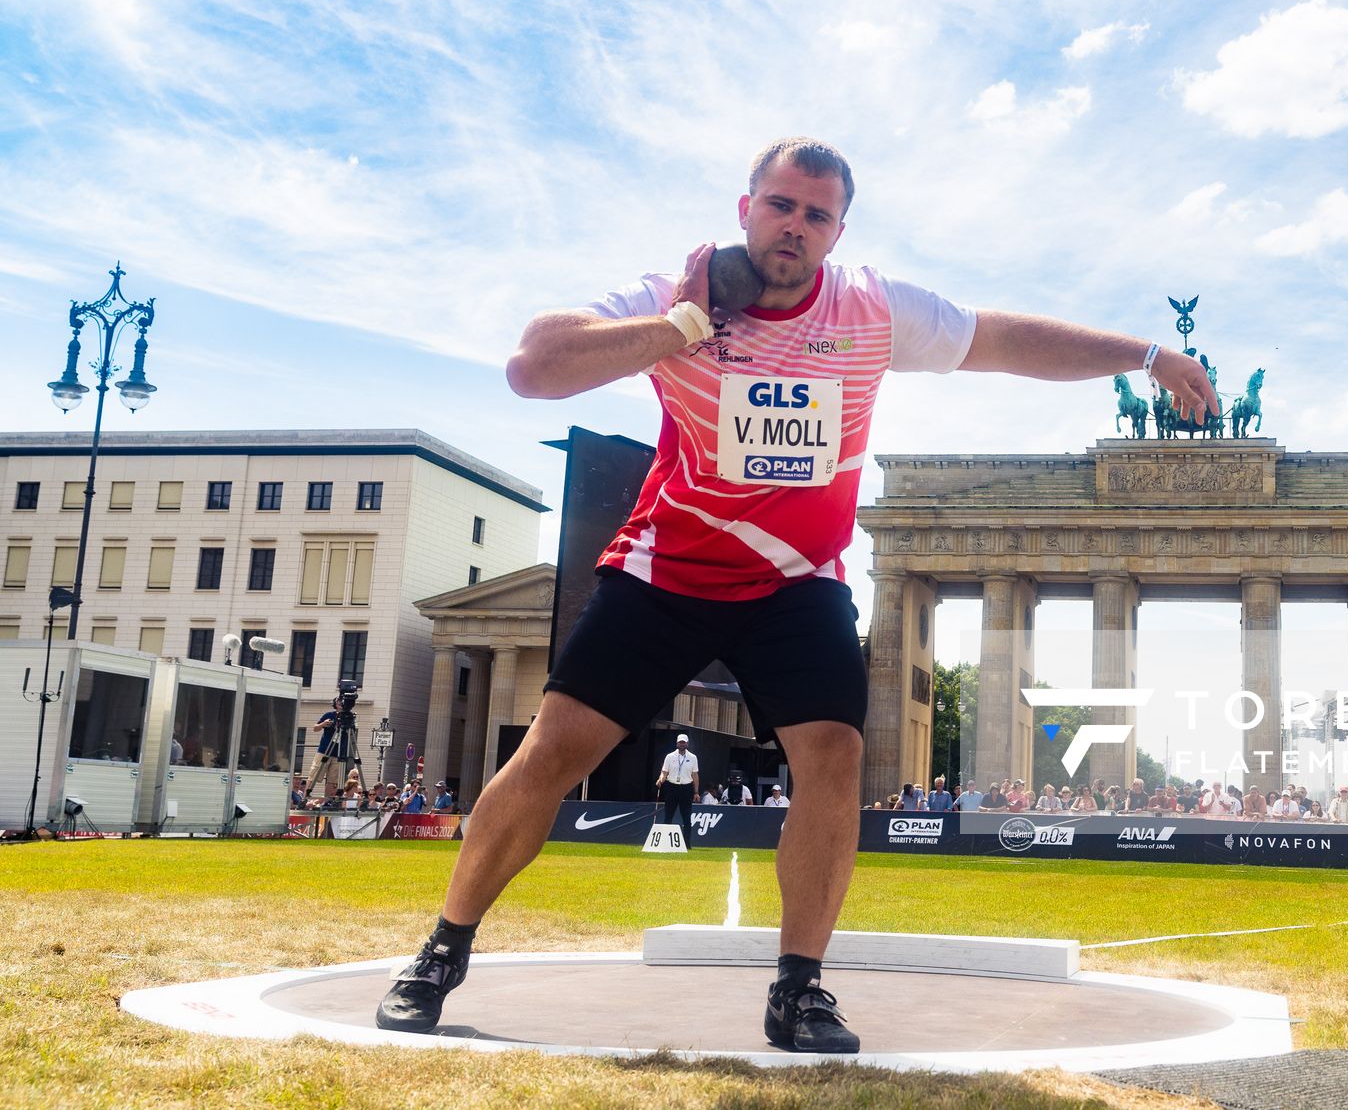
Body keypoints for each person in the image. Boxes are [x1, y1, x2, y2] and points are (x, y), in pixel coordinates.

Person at [369, 140, 1222, 1051]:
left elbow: (1004, 339)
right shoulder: (676, 290)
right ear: (746, 208)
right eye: (781, 205)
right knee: (552, 754)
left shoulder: (872, 307)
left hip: (795, 581)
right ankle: (441, 952)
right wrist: (684, 326)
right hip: (667, 569)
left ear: (837, 231)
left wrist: (1145, 353)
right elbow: (533, 366)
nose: (795, 226)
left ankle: (800, 990)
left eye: (816, 215)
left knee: (834, 755)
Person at [657, 734, 700, 833]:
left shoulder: (693, 757)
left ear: (687, 744)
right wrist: (661, 779)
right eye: (680, 742)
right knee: (668, 816)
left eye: (683, 742)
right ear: (677, 743)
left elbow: (695, 775)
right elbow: (664, 772)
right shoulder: (670, 756)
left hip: (686, 788)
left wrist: (696, 792)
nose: (682, 744)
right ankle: (664, 843)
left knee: (687, 818)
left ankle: (687, 844)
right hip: (672, 788)